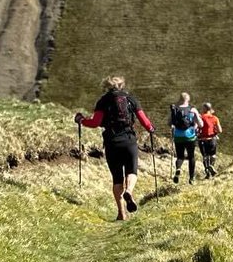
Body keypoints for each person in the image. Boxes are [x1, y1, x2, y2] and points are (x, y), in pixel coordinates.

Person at [75, 75, 155, 221]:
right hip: (129, 140)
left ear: (107, 86)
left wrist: (81, 120)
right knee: (132, 171)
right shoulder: (131, 99)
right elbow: (144, 121)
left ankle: (121, 213)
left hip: (112, 142)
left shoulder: (103, 101)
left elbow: (95, 122)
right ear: (122, 85)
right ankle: (129, 191)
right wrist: (150, 128)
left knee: (117, 179)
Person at [170, 93, 200, 184]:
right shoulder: (192, 109)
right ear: (188, 99)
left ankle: (178, 168)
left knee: (180, 156)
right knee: (191, 157)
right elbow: (200, 124)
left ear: (180, 99)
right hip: (189, 137)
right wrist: (197, 116)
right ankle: (191, 179)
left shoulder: (175, 109)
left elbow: (169, 122)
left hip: (178, 137)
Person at [197, 102, 222, 179]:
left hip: (202, 140)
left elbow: (196, 128)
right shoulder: (215, 118)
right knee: (213, 155)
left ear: (204, 109)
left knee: (205, 156)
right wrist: (214, 133)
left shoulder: (200, 117)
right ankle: (211, 166)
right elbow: (220, 130)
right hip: (212, 139)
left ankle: (208, 173)